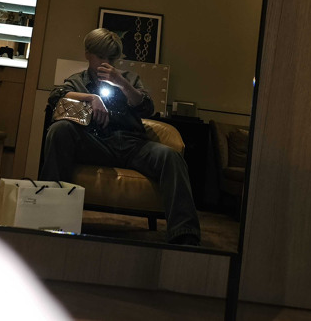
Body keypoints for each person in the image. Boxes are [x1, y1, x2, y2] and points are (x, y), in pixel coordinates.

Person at [40, 28, 201, 246]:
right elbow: (56, 96)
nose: (105, 63)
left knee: (171, 157)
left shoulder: (129, 79)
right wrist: (92, 97)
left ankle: (185, 235)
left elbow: (147, 108)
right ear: (88, 54)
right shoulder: (78, 81)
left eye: (111, 58)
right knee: (60, 129)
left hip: (132, 145)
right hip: (95, 143)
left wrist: (121, 83)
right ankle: (49, 217)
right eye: (100, 57)